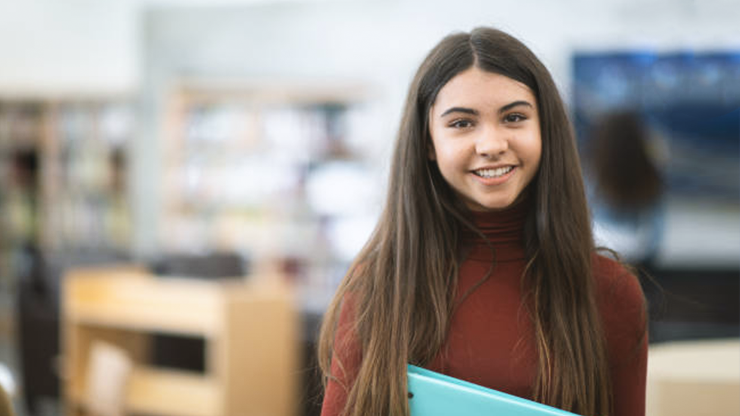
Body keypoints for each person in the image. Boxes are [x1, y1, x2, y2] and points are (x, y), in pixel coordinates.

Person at [317, 27, 647, 416]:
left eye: (514, 117)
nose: (491, 145)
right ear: (428, 142)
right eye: (461, 123)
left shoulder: (610, 291)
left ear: (545, 130)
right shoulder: (378, 287)